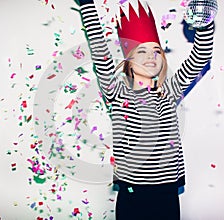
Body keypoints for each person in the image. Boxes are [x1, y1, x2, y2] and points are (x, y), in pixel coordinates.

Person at [75, 0, 214, 219]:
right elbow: (100, 52)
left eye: (156, 50)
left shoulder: (168, 91)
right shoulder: (118, 93)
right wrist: (87, 5)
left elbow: (201, 55)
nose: (151, 56)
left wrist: (204, 18)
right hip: (132, 193)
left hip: (167, 192)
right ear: (128, 61)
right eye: (142, 51)